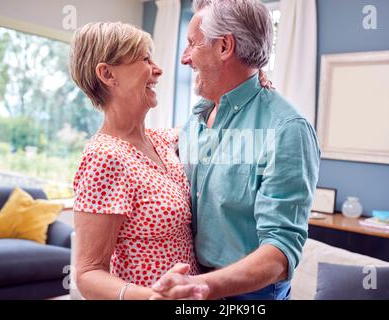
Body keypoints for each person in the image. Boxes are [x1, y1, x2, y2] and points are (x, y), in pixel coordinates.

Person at [150, 0, 321, 300]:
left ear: (225, 47)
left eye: (192, 44)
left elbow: (279, 253)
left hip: (250, 297)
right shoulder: (194, 122)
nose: (184, 59)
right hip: (195, 281)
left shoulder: (286, 129)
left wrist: (206, 286)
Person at [70, 22, 207, 300]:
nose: (158, 69)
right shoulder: (105, 157)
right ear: (107, 74)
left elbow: (209, 123)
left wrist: (256, 77)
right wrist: (152, 297)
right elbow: (87, 273)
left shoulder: (161, 140)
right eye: (145, 59)